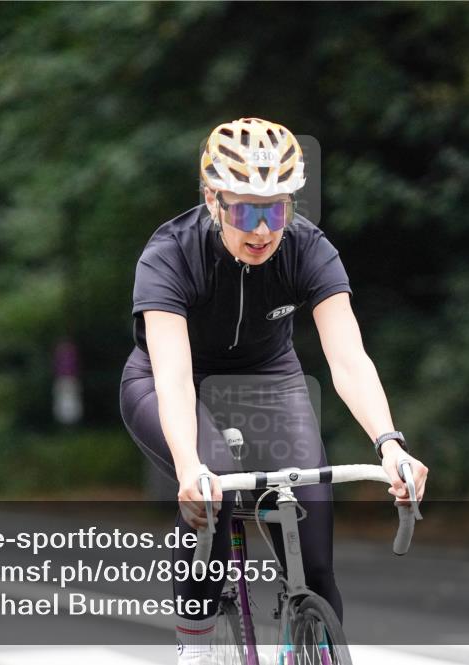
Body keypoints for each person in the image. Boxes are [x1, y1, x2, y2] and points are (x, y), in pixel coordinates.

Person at [119, 117, 429, 664]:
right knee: (215, 493)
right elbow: (171, 373)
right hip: (171, 381)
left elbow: (349, 358)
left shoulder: (308, 247)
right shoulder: (169, 253)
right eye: (246, 210)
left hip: (267, 383)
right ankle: (195, 641)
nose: (262, 230)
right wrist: (190, 468)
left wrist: (390, 444)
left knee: (314, 561)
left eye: (277, 209)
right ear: (214, 200)